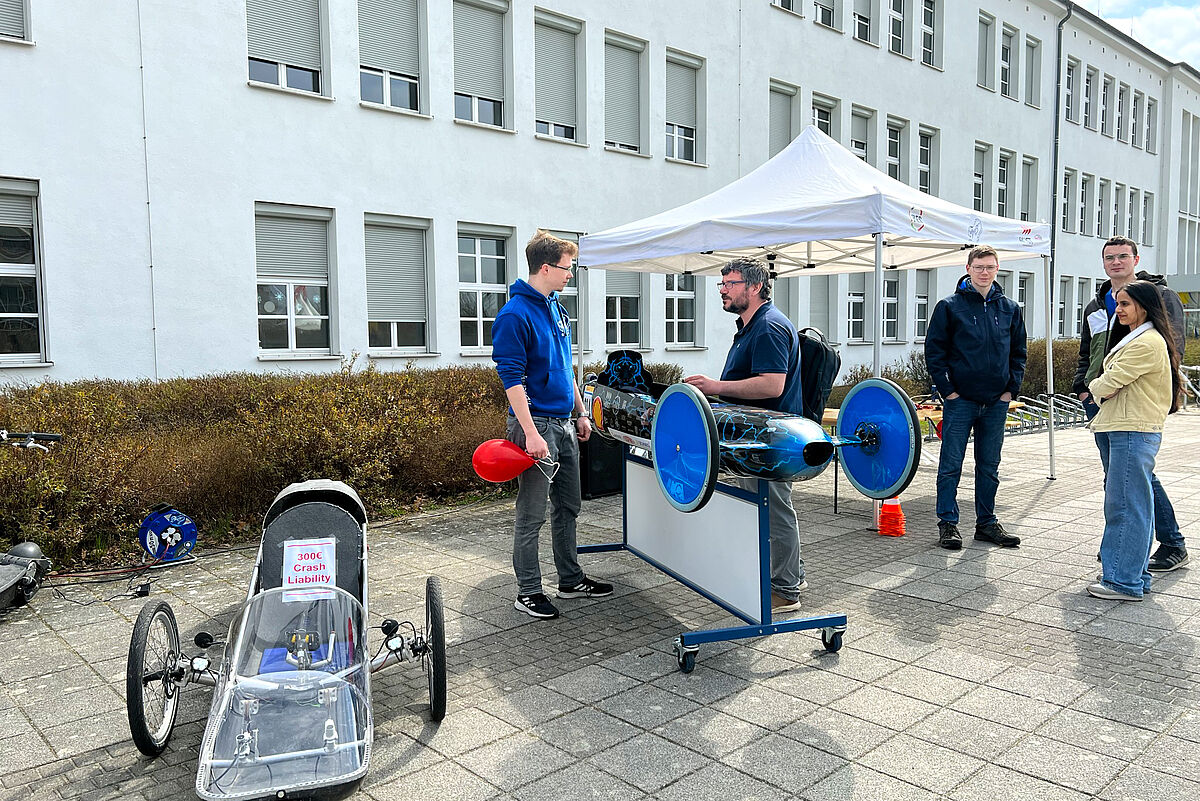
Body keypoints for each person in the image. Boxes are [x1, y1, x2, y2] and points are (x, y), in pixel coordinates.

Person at [491, 231, 612, 620]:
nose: (571, 275)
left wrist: (580, 412)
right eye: (567, 268)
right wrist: (529, 434)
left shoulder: (556, 307)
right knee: (532, 515)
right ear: (546, 268)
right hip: (536, 427)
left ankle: (570, 580)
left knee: (568, 506)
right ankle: (527, 591)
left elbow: (564, 368)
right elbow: (511, 379)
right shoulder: (514, 314)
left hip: (564, 423)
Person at [683, 257, 806, 612]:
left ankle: (785, 589)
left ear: (754, 287)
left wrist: (714, 386)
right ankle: (787, 573)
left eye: (730, 284)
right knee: (764, 509)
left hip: (769, 441)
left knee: (774, 510)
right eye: (721, 284)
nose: (723, 290)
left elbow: (772, 384)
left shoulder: (768, 327)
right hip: (756, 437)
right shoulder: (751, 325)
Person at [1073, 236, 1189, 573]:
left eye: (1123, 256)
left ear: (1136, 259)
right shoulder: (1096, 306)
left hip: (1135, 402)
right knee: (1118, 479)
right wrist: (1083, 389)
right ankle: (1127, 545)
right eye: (1109, 257)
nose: (1116, 262)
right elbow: (1087, 353)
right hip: (1099, 400)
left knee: (1135, 478)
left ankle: (1170, 544)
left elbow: (1172, 348)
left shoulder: (1159, 296)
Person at [924, 245, 1027, 550]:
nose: (985, 272)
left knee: (989, 466)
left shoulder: (1009, 308)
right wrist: (949, 393)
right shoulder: (949, 306)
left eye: (990, 267)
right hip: (961, 401)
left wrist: (1011, 390)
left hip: (996, 401)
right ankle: (948, 523)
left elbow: (1018, 353)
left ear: (998, 270)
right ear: (968, 268)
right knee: (951, 465)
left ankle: (986, 523)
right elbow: (935, 353)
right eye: (979, 266)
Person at [1086, 280, 1182, 601]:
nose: (1120, 309)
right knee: (1133, 505)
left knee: (1126, 507)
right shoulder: (1141, 338)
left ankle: (1122, 582)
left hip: (1132, 429)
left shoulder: (1146, 342)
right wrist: (1104, 385)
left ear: (1143, 305)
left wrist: (1098, 385)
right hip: (1127, 426)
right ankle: (1132, 576)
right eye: (1118, 303)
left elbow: (1107, 382)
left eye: (1125, 304)